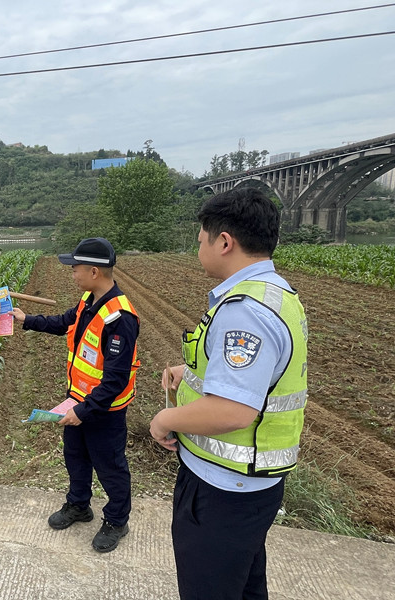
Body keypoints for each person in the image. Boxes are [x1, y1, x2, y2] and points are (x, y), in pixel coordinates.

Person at [149, 188, 308, 600]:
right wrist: (190, 372)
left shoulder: (243, 311)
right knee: (245, 587)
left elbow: (234, 409)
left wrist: (164, 419)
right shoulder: (276, 294)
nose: (197, 248)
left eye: (200, 239)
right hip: (252, 489)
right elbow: (262, 372)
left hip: (223, 490)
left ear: (224, 242)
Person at [9, 237, 140, 553]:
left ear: (94, 272)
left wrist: (83, 411)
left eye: (75, 268)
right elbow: (64, 323)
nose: (72, 273)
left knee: (110, 465)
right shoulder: (89, 300)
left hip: (104, 411)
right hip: (78, 399)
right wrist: (27, 320)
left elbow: (115, 380)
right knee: (76, 457)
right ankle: (79, 505)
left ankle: (117, 520)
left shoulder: (120, 317)